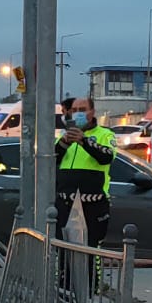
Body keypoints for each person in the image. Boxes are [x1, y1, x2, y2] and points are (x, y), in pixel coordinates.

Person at [55, 97, 115, 247]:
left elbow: (106, 157)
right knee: (61, 250)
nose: (77, 114)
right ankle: (63, 272)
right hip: (65, 203)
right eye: (74, 111)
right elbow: (51, 159)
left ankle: (91, 272)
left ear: (92, 112)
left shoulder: (105, 134)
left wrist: (84, 141)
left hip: (93, 203)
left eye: (82, 110)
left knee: (92, 250)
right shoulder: (65, 136)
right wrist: (64, 143)